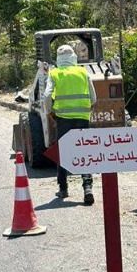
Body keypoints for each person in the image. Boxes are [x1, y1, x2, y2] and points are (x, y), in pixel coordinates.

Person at [44, 44, 97, 206]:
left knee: (63, 152)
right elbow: (94, 98)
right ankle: (87, 188)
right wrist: (87, 110)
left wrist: (50, 112)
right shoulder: (83, 71)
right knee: (84, 151)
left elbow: (47, 95)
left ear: (58, 59)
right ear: (73, 57)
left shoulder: (54, 73)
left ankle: (63, 188)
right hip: (83, 118)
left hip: (63, 118)